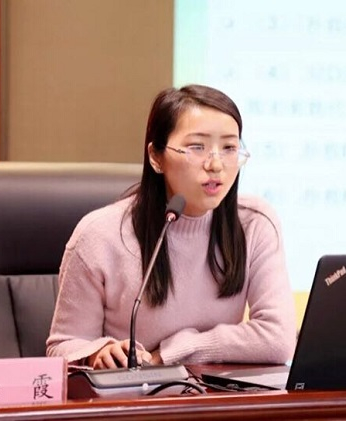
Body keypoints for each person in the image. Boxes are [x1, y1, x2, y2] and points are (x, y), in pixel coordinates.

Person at [46, 84, 296, 369]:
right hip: (132, 394)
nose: (216, 165)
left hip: (215, 393)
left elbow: (278, 338)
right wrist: (97, 353)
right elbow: (62, 346)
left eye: (229, 148)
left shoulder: (254, 223)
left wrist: (172, 352)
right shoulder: (99, 235)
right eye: (197, 147)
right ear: (156, 156)